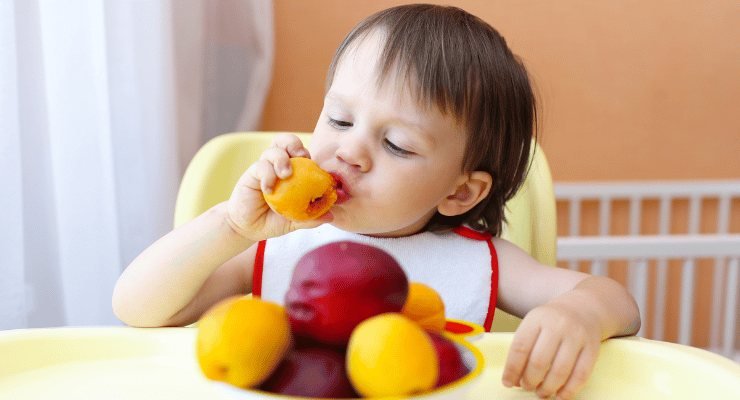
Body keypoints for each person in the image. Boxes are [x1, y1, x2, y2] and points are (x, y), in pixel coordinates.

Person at [113, 4, 640, 399]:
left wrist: (580, 315)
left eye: (397, 145)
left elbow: (618, 303)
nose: (350, 150)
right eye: (339, 120)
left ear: (460, 192)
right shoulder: (276, 247)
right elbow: (138, 309)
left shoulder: (481, 260)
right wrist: (229, 225)